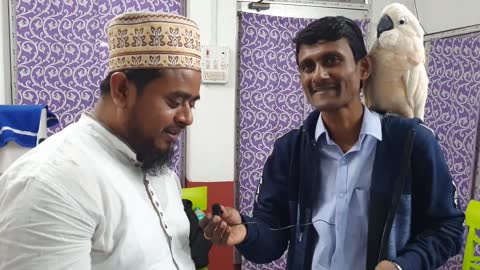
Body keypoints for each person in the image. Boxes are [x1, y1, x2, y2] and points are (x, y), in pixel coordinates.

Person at [200, 16, 464, 270]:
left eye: (332, 60)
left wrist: (402, 265)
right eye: (308, 66)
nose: (319, 75)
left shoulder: (411, 143)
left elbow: (448, 228)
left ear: (364, 68)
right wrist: (246, 232)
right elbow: (272, 239)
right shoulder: (289, 151)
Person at [0, 12, 202, 270]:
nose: (187, 118)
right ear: (121, 90)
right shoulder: (50, 183)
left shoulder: (158, 168)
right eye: (174, 102)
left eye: (192, 104)